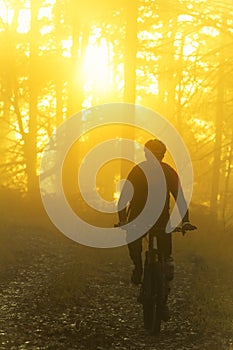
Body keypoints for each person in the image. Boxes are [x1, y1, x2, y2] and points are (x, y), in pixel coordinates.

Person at [117, 139, 196, 319]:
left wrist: (185, 221)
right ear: (147, 154)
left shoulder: (165, 172)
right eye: (153, 154)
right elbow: (123, 198)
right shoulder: (140, 172)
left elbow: (179, 198)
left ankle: (162, 299)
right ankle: (138, 267)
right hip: (143, 220)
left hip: (158, 221)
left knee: (166, 261)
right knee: (138, 247)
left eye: (158, 155)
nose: (155, 157)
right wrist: (122, 220)